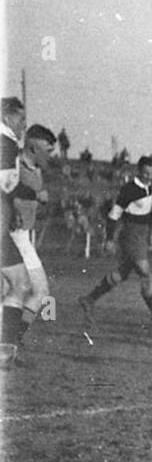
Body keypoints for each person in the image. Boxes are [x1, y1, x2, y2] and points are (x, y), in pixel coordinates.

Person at [79, 156, 152, 324]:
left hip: (141, 235)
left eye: (151, 173)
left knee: (122, 274)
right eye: (145, 173)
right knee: (146, 275)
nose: (148, 176)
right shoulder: (129, 189)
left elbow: (142, 213)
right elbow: (114, 215)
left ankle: (89, 299)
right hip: (130, 236)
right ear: (139, 171)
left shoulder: (149, 187)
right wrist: (110, 239)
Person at [1, 114, 55, 368]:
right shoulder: (13, 164)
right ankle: (9, 344)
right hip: (10, 235)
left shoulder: (37, 170)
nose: (51, 155)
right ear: (34, 147)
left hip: (23, 236)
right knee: (25, 289)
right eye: (48, 149)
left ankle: (13, 343)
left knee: (38, 291)